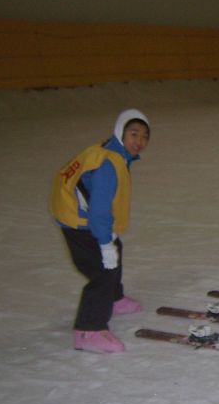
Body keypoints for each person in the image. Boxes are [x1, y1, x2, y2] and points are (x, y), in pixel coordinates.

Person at [50, 109, 151, 353]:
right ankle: (88, 329)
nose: (138, 141)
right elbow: (98, 211)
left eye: (144, 136)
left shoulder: (113, 152)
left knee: (115, 252)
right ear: (120, 132)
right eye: (133, 134)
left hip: (77, 213)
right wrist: (104, 243)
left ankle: (114, 299)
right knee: (102, 271)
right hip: (79, 221)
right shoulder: (108, 163)